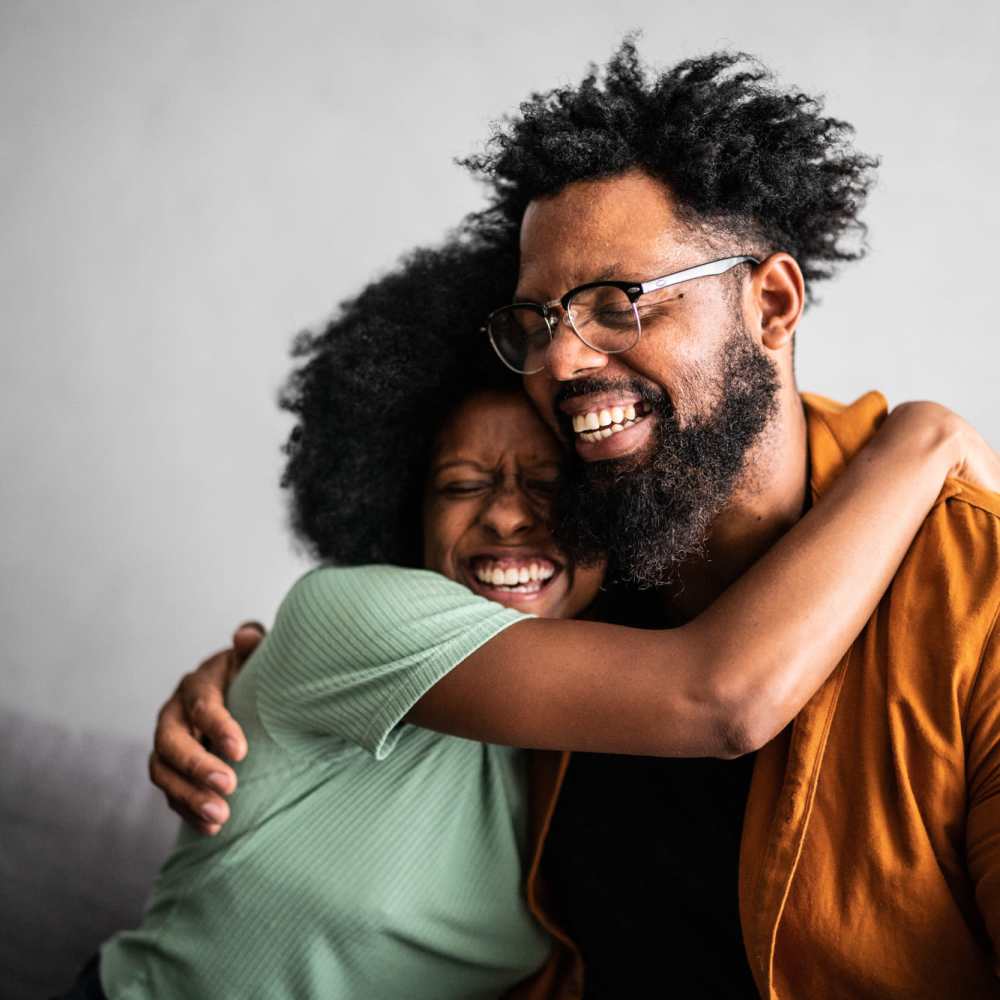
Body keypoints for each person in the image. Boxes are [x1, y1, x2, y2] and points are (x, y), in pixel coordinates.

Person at [156, 43, 1000, 999]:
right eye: (538, 322)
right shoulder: (580, 583)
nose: (559, 363)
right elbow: (704, 697)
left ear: (771, 302)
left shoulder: (973, 590)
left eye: (618, 301)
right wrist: (245, 679)